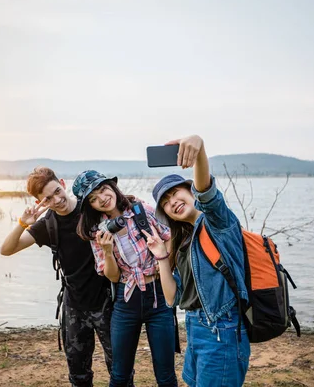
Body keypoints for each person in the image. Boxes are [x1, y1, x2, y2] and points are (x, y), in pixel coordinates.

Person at [144, 135, 250, 387]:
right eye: (166, 203)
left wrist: (199, 146)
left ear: (190, 190)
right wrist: (161, 257)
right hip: (194, 327)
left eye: (174, 193)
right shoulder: (183, 244)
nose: (172, 203)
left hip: (221, 329)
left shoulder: (217, 224)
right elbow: (173, 298)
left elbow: (208, 194)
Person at [0, 166, 114, 387]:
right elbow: (6, 249)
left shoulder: (89, 208)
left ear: (62, 183)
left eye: (57, 191)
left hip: (107, 301)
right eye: (48, 199)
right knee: (78, 375)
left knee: (119, 370)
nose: (57, 200)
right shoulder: (47, 224)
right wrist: (23, 223)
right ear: (40, 202)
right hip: (74, 306)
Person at [73, 170, 178, 387]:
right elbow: (112, 276)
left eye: (103, 190)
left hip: (159, 296)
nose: (102, 198)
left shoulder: (140, 209)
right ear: (90, 206)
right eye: (93, 199)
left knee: (166, 374)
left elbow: (170, 237)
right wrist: (108, 251)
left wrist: (162, 262)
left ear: (112, 186)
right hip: (126, 299)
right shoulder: (98, 232)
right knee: (120, 374)